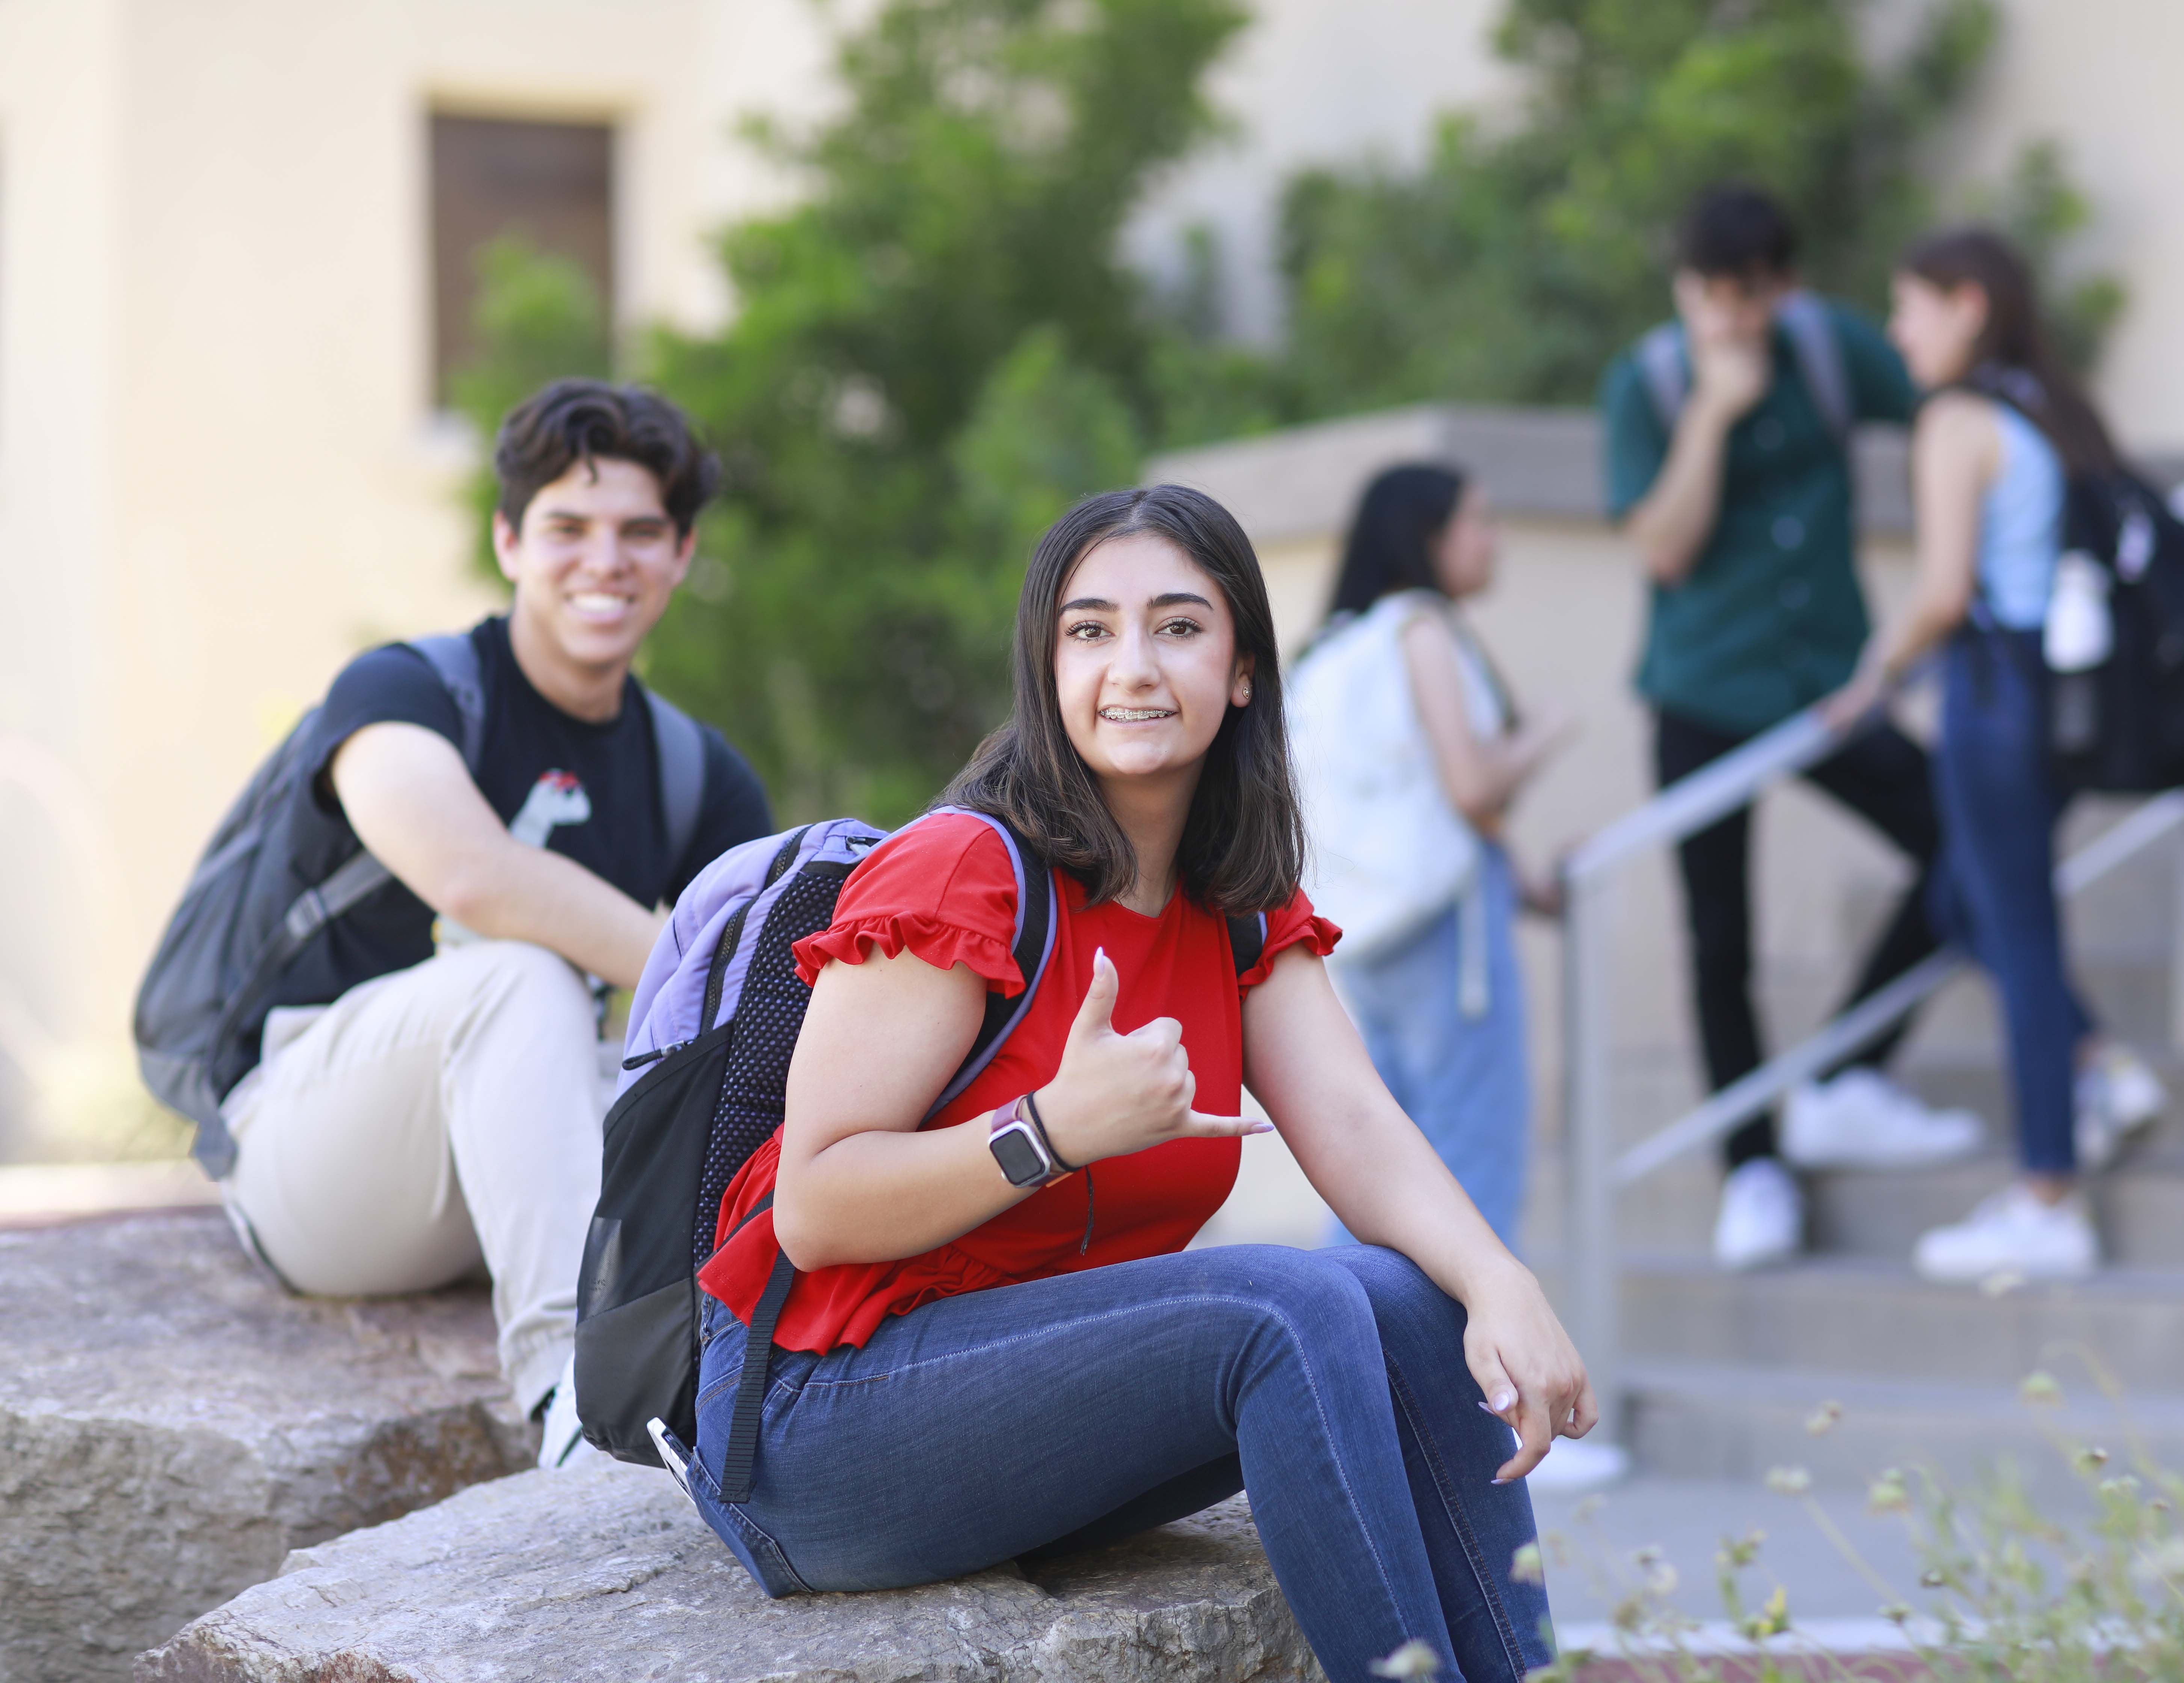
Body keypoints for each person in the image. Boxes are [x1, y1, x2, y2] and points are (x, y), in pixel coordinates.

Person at [680, 485, 1592, 1682]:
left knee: (1411, 1299)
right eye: (1091, 631)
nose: (1134, 668)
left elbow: (1358, 1126)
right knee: (1289, 1308)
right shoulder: (965, 870)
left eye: (1178, 627)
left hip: (1019, 1403)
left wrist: (1500, 1284)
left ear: (1246, 669)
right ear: (1048, 668)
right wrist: (1049, 1131)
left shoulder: (1233, 904)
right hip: (819, 1428)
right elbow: (817, 1202)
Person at [214, 380, 774, 1464]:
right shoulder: (402, 693)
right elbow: (473, 876)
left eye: (639, 532)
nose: (604, 560)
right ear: (510, 539)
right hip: (314, 1156)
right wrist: (690, 968)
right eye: (568, 527)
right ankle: (580, 1404)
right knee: (524, 976)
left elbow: (760, 1005)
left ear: (682, 555)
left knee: (725, 1065)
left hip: (506, 1165)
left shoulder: (695, 773)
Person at [1600, 183, 1980, 1272]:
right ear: (1686, 290)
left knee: (1964, 840)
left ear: (1784, 288)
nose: (1730, 319)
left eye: (1749, 298)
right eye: (1711, 297)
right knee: (1720, 941)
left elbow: (1945, 411)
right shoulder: (1649, 383)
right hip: (1701, 694)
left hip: (1829, 687)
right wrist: (1714, 412)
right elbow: (1662, 549)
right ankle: (1752, 1168)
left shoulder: (1830, 348)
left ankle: (1847, 1073)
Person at [1822, 228, 2167, 1282]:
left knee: (2011, 929)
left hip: (1991, 698)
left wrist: (1869, 681)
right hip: (2061, 697)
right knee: (1966, 906)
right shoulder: (2047, 410)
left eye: (1911, 307)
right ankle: (2099, 1067)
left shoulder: (1958, 418)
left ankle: (2048, 1196)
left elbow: (1941, 590)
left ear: (1967, 304)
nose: (1897, 331)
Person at [1287, 464, 1572, 1253]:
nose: (1493, 539)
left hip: (1363, 930)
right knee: (1471, 1160)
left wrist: (1528, 885)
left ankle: (1346, 1359)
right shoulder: (1422, 626)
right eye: (1477, 521)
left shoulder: (1335, 647)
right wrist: (1544, 731)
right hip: (1447, 929)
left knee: (1370, 1169)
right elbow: (1470, 786)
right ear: (1427, 536)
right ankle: (1468, 1366)